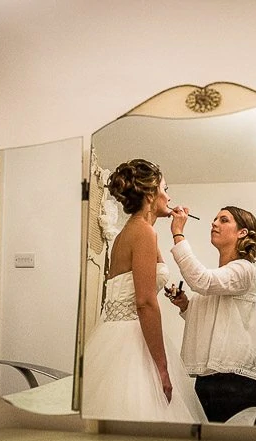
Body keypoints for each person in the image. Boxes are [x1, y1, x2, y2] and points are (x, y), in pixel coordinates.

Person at [81, 158, 206, 424]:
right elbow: (145, 302)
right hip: (131, 339)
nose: (169, 196)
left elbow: (145, 277)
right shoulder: (144, 234)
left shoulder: (131, 233)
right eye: (165, 188)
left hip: (112, 334)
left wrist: (174, 228)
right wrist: (162, 367)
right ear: (151, 194)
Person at [166, 205, 256, 423]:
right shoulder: (223, 275)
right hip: (210, 375)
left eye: (223, 220)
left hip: (235, 379)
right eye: (215, 219)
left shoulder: (245, 270)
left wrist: (178, 233)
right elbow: (215, 313)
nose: (214, 223)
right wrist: (185, 305)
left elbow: (203, 281)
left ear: (242, 232)